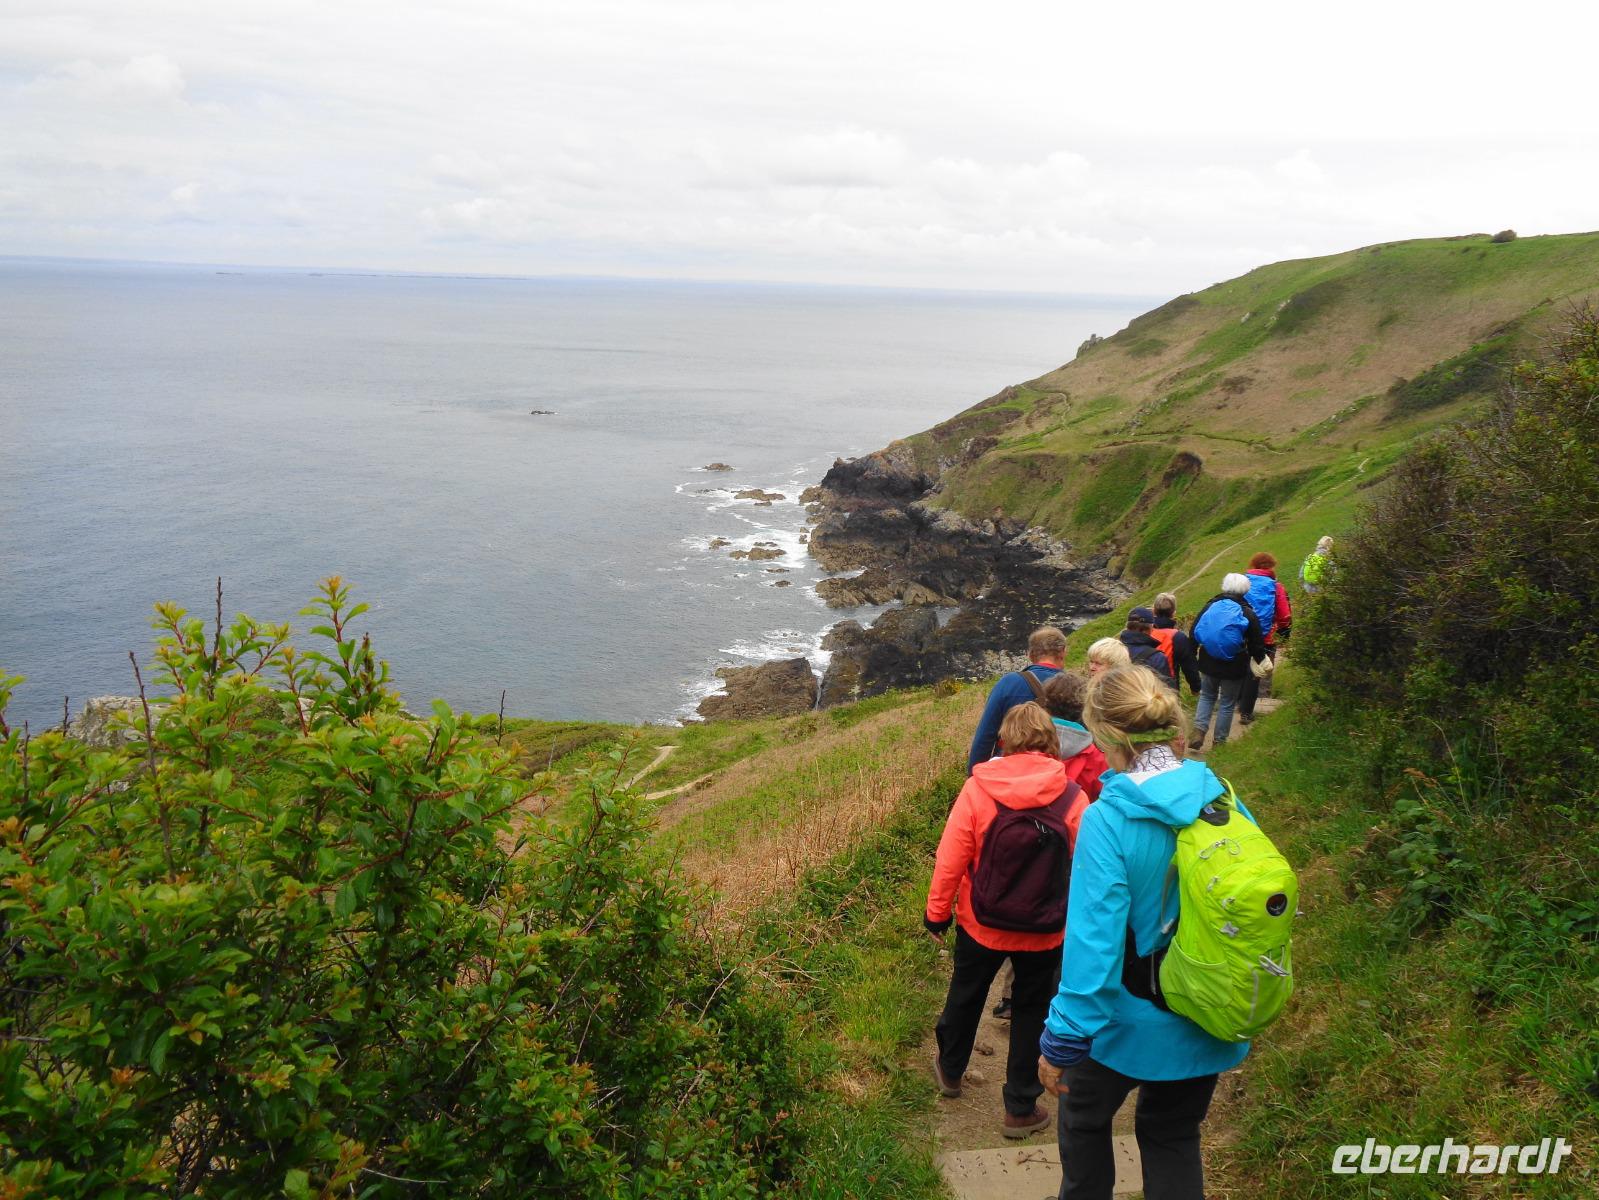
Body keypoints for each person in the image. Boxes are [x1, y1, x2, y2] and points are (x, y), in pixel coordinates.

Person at [1036, 667, 1255, 1199]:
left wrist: (1062, 1039)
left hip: (1124, 1023)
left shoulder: (1108, 820)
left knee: (1085, 1123)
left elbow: (1095, 947)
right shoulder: (1221, 799)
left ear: (1105, 736)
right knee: (1172, 1134)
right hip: (1206, 1011)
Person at [928, 703, 1076, 1139]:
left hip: (981, 922)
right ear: (1052, 741)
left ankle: (951, 1072)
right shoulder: (1073, 796)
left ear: (1004, 741)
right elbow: (1089, 872)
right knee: (1033, 1011)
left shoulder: (978, 790)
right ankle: (1020, 1108)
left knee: (965, 995)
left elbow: (950, 859)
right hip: (1046, 930)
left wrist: (936, 914)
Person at [967, 626, 1067, 774]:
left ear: (1030, 655)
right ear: (1063, 652)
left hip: (1011, 771)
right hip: (1060, 771)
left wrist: (974, 776)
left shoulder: (1009, 683)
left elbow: (985, 736)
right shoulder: (1074, 686)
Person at [1189, 574, 1268, 750]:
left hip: (1208, 660)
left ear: (1224, 586)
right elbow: (1256, 642)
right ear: (1245, 590)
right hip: (1235, 664)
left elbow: (1194, 631)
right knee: (1227, 702)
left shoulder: (1210, 606)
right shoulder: (1247, 612)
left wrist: (1192, 653)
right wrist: (1261, 660)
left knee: (1207, 696)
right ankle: (1219, 742)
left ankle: (1199, 732)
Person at [1237, 553, 1292, 725]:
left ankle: (1239, 703)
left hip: (1242, 634)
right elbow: (1284, 615)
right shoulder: (1276, 587)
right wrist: (1283, 631)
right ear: (1271, 567)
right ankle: (1259, 702)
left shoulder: (1242, 583)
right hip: (1266, 636)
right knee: (1262, 670)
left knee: (1243, 667)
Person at [1041, 671, 1109, 806]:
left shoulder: (1025, 744)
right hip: (1080, 823)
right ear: (1084, 708)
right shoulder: (1098, 757)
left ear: (1046, 706)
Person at [1148, 593, 1201, 696]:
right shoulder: (1178, 637)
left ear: (1153, 611)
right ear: (1173, 613)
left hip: (1143, 686)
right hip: (1168, 688)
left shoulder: (1144, 631)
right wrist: (1196, 687)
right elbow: (1189, 666)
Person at [1117, 607, 1175, 689]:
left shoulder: (1113, 650)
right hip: (1145, 700)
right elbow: (1167, 689)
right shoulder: (1156, 657)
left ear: (1127, 626)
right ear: (1151, 628)